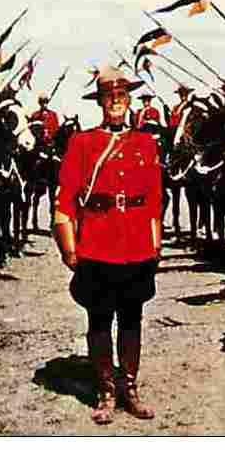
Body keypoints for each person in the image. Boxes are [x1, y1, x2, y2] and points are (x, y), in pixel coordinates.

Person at [53, 65, 162, 425]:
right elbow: (66, 197)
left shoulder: (145, 142)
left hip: (135, 244)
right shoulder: (82, 143)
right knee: (99, 318)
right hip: (97, 242)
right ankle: (105, 391)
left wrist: (154, 244)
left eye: (121, 96)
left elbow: (154, 197)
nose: (116, 102)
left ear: (128, 100)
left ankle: (129, 388)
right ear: (100, 101)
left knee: (132, 317)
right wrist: (69, 246)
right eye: (109, 96)